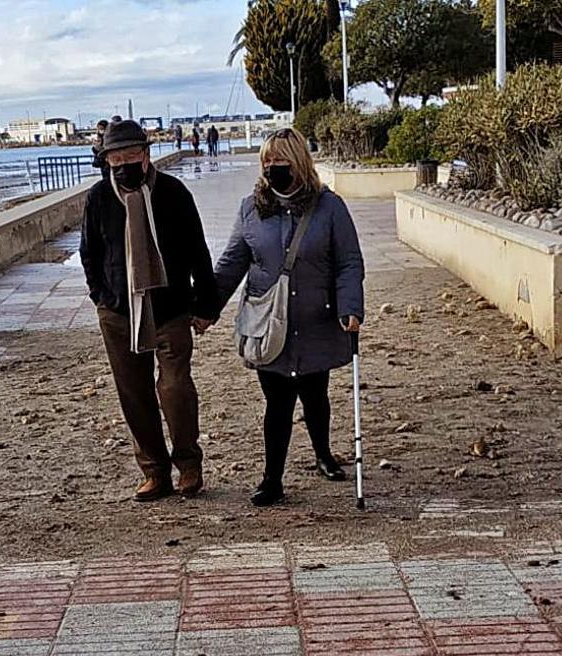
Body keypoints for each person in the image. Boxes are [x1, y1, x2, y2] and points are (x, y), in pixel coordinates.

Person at [212, 127, 364, 507]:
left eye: (281, 161)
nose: (273, 168)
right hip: (269, 324)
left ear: (299, 163)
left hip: (317, 319)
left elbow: (348, 262)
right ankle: (272, 479)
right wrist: (205, 308)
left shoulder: (330, 208)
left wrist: (351, 307)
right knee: (277, 401)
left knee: (316, 395)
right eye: (268, 162)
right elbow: (233, 261)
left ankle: (323, 454)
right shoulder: (251, 207)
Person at [79, 120, 221, 502]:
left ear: (145, 155)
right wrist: (100, 298)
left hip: (170, 308)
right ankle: (154, 472)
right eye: (115, 159)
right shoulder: (97, 199)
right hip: (118, 312)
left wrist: (206, 304)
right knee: (134, 393)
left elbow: (197, 251)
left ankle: (189, 465)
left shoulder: (173, 193)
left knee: (175, 388)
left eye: (130, 157)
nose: (122, 165)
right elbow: (89, 253)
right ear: (106, 161)